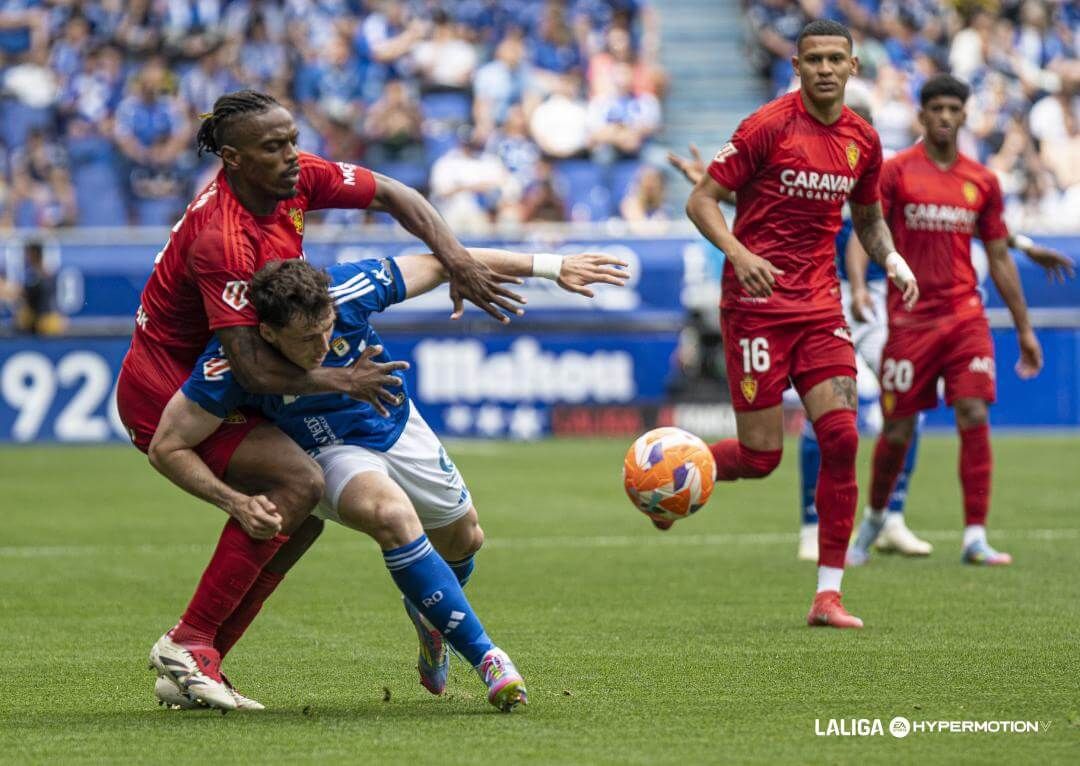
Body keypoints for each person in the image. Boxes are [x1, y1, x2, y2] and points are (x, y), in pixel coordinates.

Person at [115, 89, 524, 712]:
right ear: (232, 159)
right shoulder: (223, 241)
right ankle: (191, 642)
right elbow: (250, 364)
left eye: (292, 141)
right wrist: (343, 380)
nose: (291, 157)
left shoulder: (292, 179)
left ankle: (200, 659)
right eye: (273, 148)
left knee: (297, 514)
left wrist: (457, 259)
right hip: (171, 385)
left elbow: (397, 195)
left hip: (223, 373)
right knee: (297, 482)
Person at [147, 249, 629, 711]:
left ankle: (427, 613)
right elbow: (167, 446)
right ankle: (488, 658)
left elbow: (444, 263)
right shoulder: (232, 359)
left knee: (465, 539)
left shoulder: (349, 288)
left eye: (327, 332)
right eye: (305, 340)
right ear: (268, 334)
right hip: (327, 449)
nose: (322, 347)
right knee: (390, 515)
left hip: (396, 423)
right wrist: (233, 501)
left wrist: (552, 265)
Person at [684, 20, 919, 629]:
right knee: (763, 457)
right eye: (812, 58)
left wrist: (891, 259)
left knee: (842, 436)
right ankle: (676, 470)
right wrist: (739, 254)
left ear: (853, 66)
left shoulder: (863, 140)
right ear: (795, 64)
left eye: (834, 59)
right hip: (755, 305)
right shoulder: (766, 126)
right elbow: (702, 200)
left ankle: (828, 595)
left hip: (818, 306)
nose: (823, 68)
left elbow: (867, 220)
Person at [862, 74, 1075, 567]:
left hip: (965, 316)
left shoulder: (982, 180)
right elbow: (866, 229)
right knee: (897, 429)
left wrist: (1023, 329)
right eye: (934, 108)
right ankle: (874, 518)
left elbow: (998, 256)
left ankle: (975, 535)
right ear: (921, 115)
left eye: (951, 109)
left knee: (974, 413)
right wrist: (857, 284)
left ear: (963, 115)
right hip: (910, 320)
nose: (943, 117)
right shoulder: (895, 173)